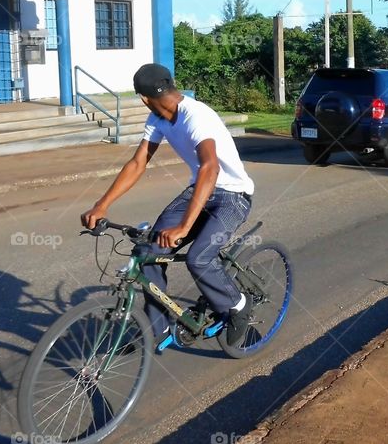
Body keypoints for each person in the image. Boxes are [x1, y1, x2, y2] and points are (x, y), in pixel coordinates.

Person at [81, 63, 256, 347]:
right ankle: (158, 328)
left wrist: (184, 226)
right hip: (199, 191)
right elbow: (138, 163)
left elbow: (209, 168)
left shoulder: (196, 116)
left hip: (233, 196)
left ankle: (237, 305)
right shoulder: (158, 119)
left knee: (199, 258)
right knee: (150, 251)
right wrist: (102, 205)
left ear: (142, 98)